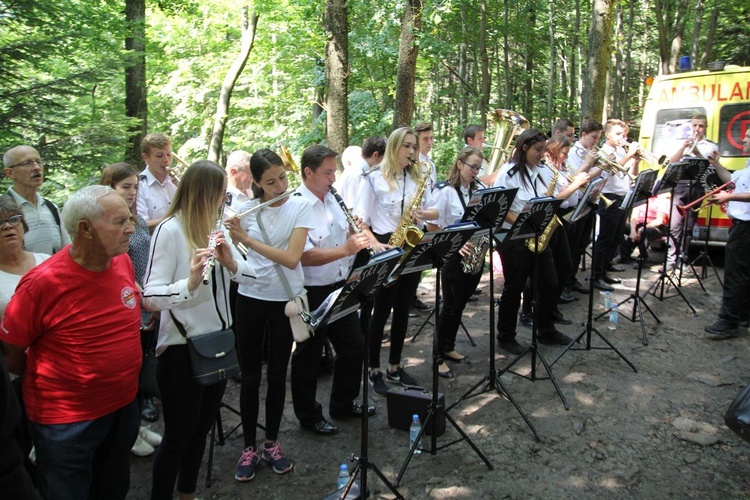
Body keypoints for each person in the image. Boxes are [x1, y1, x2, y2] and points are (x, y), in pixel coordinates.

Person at [1, 185, 141, 500]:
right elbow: (11, 352)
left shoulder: (121, 261)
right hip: (67, 423)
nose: (130, 228)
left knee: (113, 487)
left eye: (129, 219)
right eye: (120, 221)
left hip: (122, 407)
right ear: (85, 229)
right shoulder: (42, 283)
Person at [142, 160, 257, 499]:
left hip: (219, 343)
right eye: (222, 193)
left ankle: (187, 494)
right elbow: (149, 295)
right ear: (205, 193)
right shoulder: (170, 230)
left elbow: (250, 275)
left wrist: (230, 261)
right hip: (181, 348)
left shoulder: (216, 226)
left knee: (201, 431)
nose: (226, 200)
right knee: (178, 436)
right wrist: (189, 283)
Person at [225, 148, 314, 482]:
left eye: (282, 178)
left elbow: (292, 258)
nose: (279, 186)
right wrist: (232, 238)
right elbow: (237, 260)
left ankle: (272, 443)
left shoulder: (301, 206)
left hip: (284, 301)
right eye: (270, 182)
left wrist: (245, 237)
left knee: (278, 375)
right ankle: (248, 447)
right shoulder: (244, 210)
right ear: (258, 185)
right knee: (249, 377)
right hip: (250, 297)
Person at [291, 145, 378, 436]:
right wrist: (345, 248)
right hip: (311, 290)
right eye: (327, 173)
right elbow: (304, 255)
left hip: (340, 286)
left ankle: (342, 403)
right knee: (309, 355)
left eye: (334, 172)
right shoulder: (296, 205)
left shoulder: (333, 201)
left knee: (354, 346)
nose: (333, 178)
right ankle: (308, 415)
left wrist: (356, 238)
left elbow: (347, 243)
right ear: (309, 172)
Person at [353, 126, 440, 395]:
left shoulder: (416, 176)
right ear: (394, 148)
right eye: (407, 146)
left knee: (403, 308)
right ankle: (373, 368)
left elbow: (436, 212)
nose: (412, 151)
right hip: (385, 245)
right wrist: (376, 244)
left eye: (414, 146)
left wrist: (422, 213)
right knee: (381, 310)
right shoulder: (373, 179)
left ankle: (394, 365)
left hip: (410, 245)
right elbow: (359, 221)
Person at [492, 129, 574, 354]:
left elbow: (552, 198)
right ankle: (506, 336)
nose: (542, 154)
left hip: (538, 234)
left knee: (550, 283)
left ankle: (545, 329)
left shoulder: (543, 171)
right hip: (514, 236)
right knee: (514, 287)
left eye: (543, 150)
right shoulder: (508, 173)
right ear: (524, 148)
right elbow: (500, 206)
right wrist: (523, 223)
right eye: (538, 150)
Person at [100, 163, 162, 456]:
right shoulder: (106, 223)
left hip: (145, 302)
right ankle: (126, 433)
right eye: (126, 186)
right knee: (125, 372)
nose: (133, 192)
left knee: (139, 368)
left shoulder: (136, 219)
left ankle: (136, 425)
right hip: (126, 305)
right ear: (109, 187)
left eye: (136, 186)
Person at [518, 135, 588, 328]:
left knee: (564, 267)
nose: (565, 157)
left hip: (553, 221)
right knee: (540, 274)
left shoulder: (547, 168)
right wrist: (574, 185)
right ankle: (530, 313)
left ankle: (550, 310)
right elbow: (554, 197)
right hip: (539, 224)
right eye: (563, 153)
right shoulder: (538, 168)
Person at [431, 146, 485, 378]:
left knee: (461, 305)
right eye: (472, 166)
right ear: (460, 163)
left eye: (478, 168)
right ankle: (436, 356)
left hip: (474, 253)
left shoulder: (477, 190)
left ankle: (449, 347)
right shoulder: (444, 191)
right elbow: (432, 226)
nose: (475, 171)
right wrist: (454, 243)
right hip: (453, 255)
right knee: (450, 307)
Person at [703, 128, 750, 338]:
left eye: (748, 137)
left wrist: (728, 198)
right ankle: (742, 316)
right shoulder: (748, 165)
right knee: (743, 274)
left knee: (735, 275)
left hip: (745, 228)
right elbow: (730, 180)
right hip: (741, 227)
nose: (744, 140)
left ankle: (728, 320)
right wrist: (716, 164)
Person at [588, 119, 640, 291]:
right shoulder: (604, 151)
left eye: (624, 135)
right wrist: (629, 155)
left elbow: (630, 174)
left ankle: (604, 271)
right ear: (608, 134)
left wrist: (636, 161)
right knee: (605, 238)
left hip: (622, 195)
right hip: (609, 197)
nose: (622, 138)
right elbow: (612, 170)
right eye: (618, 134)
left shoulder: (621, 151)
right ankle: (596, 275)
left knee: (616, 237)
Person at [666, 114, 719, 270]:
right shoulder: (679, 142)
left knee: (688, 226)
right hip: (680, 186)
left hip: (696, 187)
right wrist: (683, 148)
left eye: (700, 126)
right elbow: (671, 163)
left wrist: (696, 152)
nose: (697, 129)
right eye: (695, 125)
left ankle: (683, 258)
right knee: (675, 225)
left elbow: (711, 167)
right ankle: (671, 260)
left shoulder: (711, 146)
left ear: (705, 128)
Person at [2, 145, 70, 254]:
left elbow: (65, 249)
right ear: (10, 173)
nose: (36, 167)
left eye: (38, 162)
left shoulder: (50, 208)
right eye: (27, 163)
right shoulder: (3, 212)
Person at [565, 118, 603, 294]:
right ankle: (566, 283)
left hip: (588, 201)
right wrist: (593, 166)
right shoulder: (573, 153)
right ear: (584, 135)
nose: (596, 141)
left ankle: (571, 279)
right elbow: (574, 178)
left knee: (582, 244)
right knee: (572, 247)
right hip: (575, 203)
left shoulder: (591, 152)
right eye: (594, 137)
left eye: (598, 138)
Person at [0, 197, 49, 317]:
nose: (8, 226)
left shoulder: (48, 261)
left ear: (24, 225)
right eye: (0, 222)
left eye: (14, 219)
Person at [136, 133, 178, 232]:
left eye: (169, 155)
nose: (166, 160)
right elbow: (143, 225)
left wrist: (186, 190)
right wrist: (175, 219)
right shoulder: (139, 185)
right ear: (146, 158)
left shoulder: (177, 181)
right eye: (159, 156)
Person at [334, 136, 386, 209]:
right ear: (375, 155)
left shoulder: (359, 171)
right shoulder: (357, 174)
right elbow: (353, 208)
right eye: (386, 157)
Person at [618, 193, 670, 265]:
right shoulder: (641, 199)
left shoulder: (660, 200)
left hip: (655, 227)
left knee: (643, 231)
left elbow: (660, 220)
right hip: (639, 225)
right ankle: (623, 253)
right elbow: (634, 216)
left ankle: (643, 257)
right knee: (619, 226)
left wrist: (642, 228)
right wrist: (633, 231)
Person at [225, 150, 253, 215]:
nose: (252, 178)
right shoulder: (224, 199)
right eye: (249, 173)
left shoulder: (252, 190)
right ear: (234, 172)